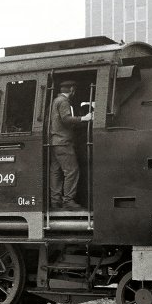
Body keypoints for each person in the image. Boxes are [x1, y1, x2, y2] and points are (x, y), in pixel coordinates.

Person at [49, 80, 92, 210]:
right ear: (72, 89)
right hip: (63, 142)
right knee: (72, 170)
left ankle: (55, 201)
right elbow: (66, 119)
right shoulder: (64, 102)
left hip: (55, 142)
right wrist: (84, 118)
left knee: (56, 171)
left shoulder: (55, 101)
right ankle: (68, 201)